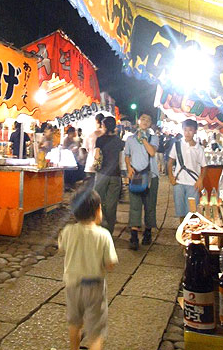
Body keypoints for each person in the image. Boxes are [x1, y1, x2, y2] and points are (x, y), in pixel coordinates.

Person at [59, 187, 118, 350]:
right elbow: (110, 262)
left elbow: (61, 248)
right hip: (95, 286)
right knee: (95, 331)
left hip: (72, 285)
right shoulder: (103, 235)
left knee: (74, 323)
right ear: (98, 210)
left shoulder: (68, 231)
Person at [125, 113, 159, 249]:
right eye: (143, 119)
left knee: (149, 205)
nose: (145, 121)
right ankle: (133, 236)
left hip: (151, 176)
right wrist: (128, 167)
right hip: (136, 175)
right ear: (138, 121)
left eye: (148, 120)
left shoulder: (154, 138)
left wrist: (144, 139)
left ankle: (148, 232)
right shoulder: (130, 139)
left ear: (150, 124)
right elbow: (127, 155)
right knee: (134, 205)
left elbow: (152, 152)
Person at [168, 119, 207, 221]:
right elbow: (170, 162)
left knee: (192, 212)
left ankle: (190, 233)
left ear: (195, 131)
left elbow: (204, 166)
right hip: (179, 182)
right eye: (185, 130)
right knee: (180, 212)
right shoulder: (177, 145)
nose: (187, 133)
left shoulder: (199, 148)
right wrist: (171, 177)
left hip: (193, 184)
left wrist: (200, 180)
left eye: (190, 130)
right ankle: (182, 231)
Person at [94, 116, 125, 235]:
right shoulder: (119, 141)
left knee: (98, 200)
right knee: (112, 203)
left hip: (102, 174)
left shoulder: (100, 140)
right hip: (116, 175)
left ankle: (101, 225)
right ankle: (109, 231)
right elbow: (121, 159)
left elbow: (97, 156)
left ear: (104, 126)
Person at [84, 113, 105, 187]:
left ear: (96, 121)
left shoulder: (90, 134)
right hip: (103, 164)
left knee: (89, 187)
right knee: (100, 188)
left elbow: (86, 149)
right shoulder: (106, 134)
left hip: (90, 163)